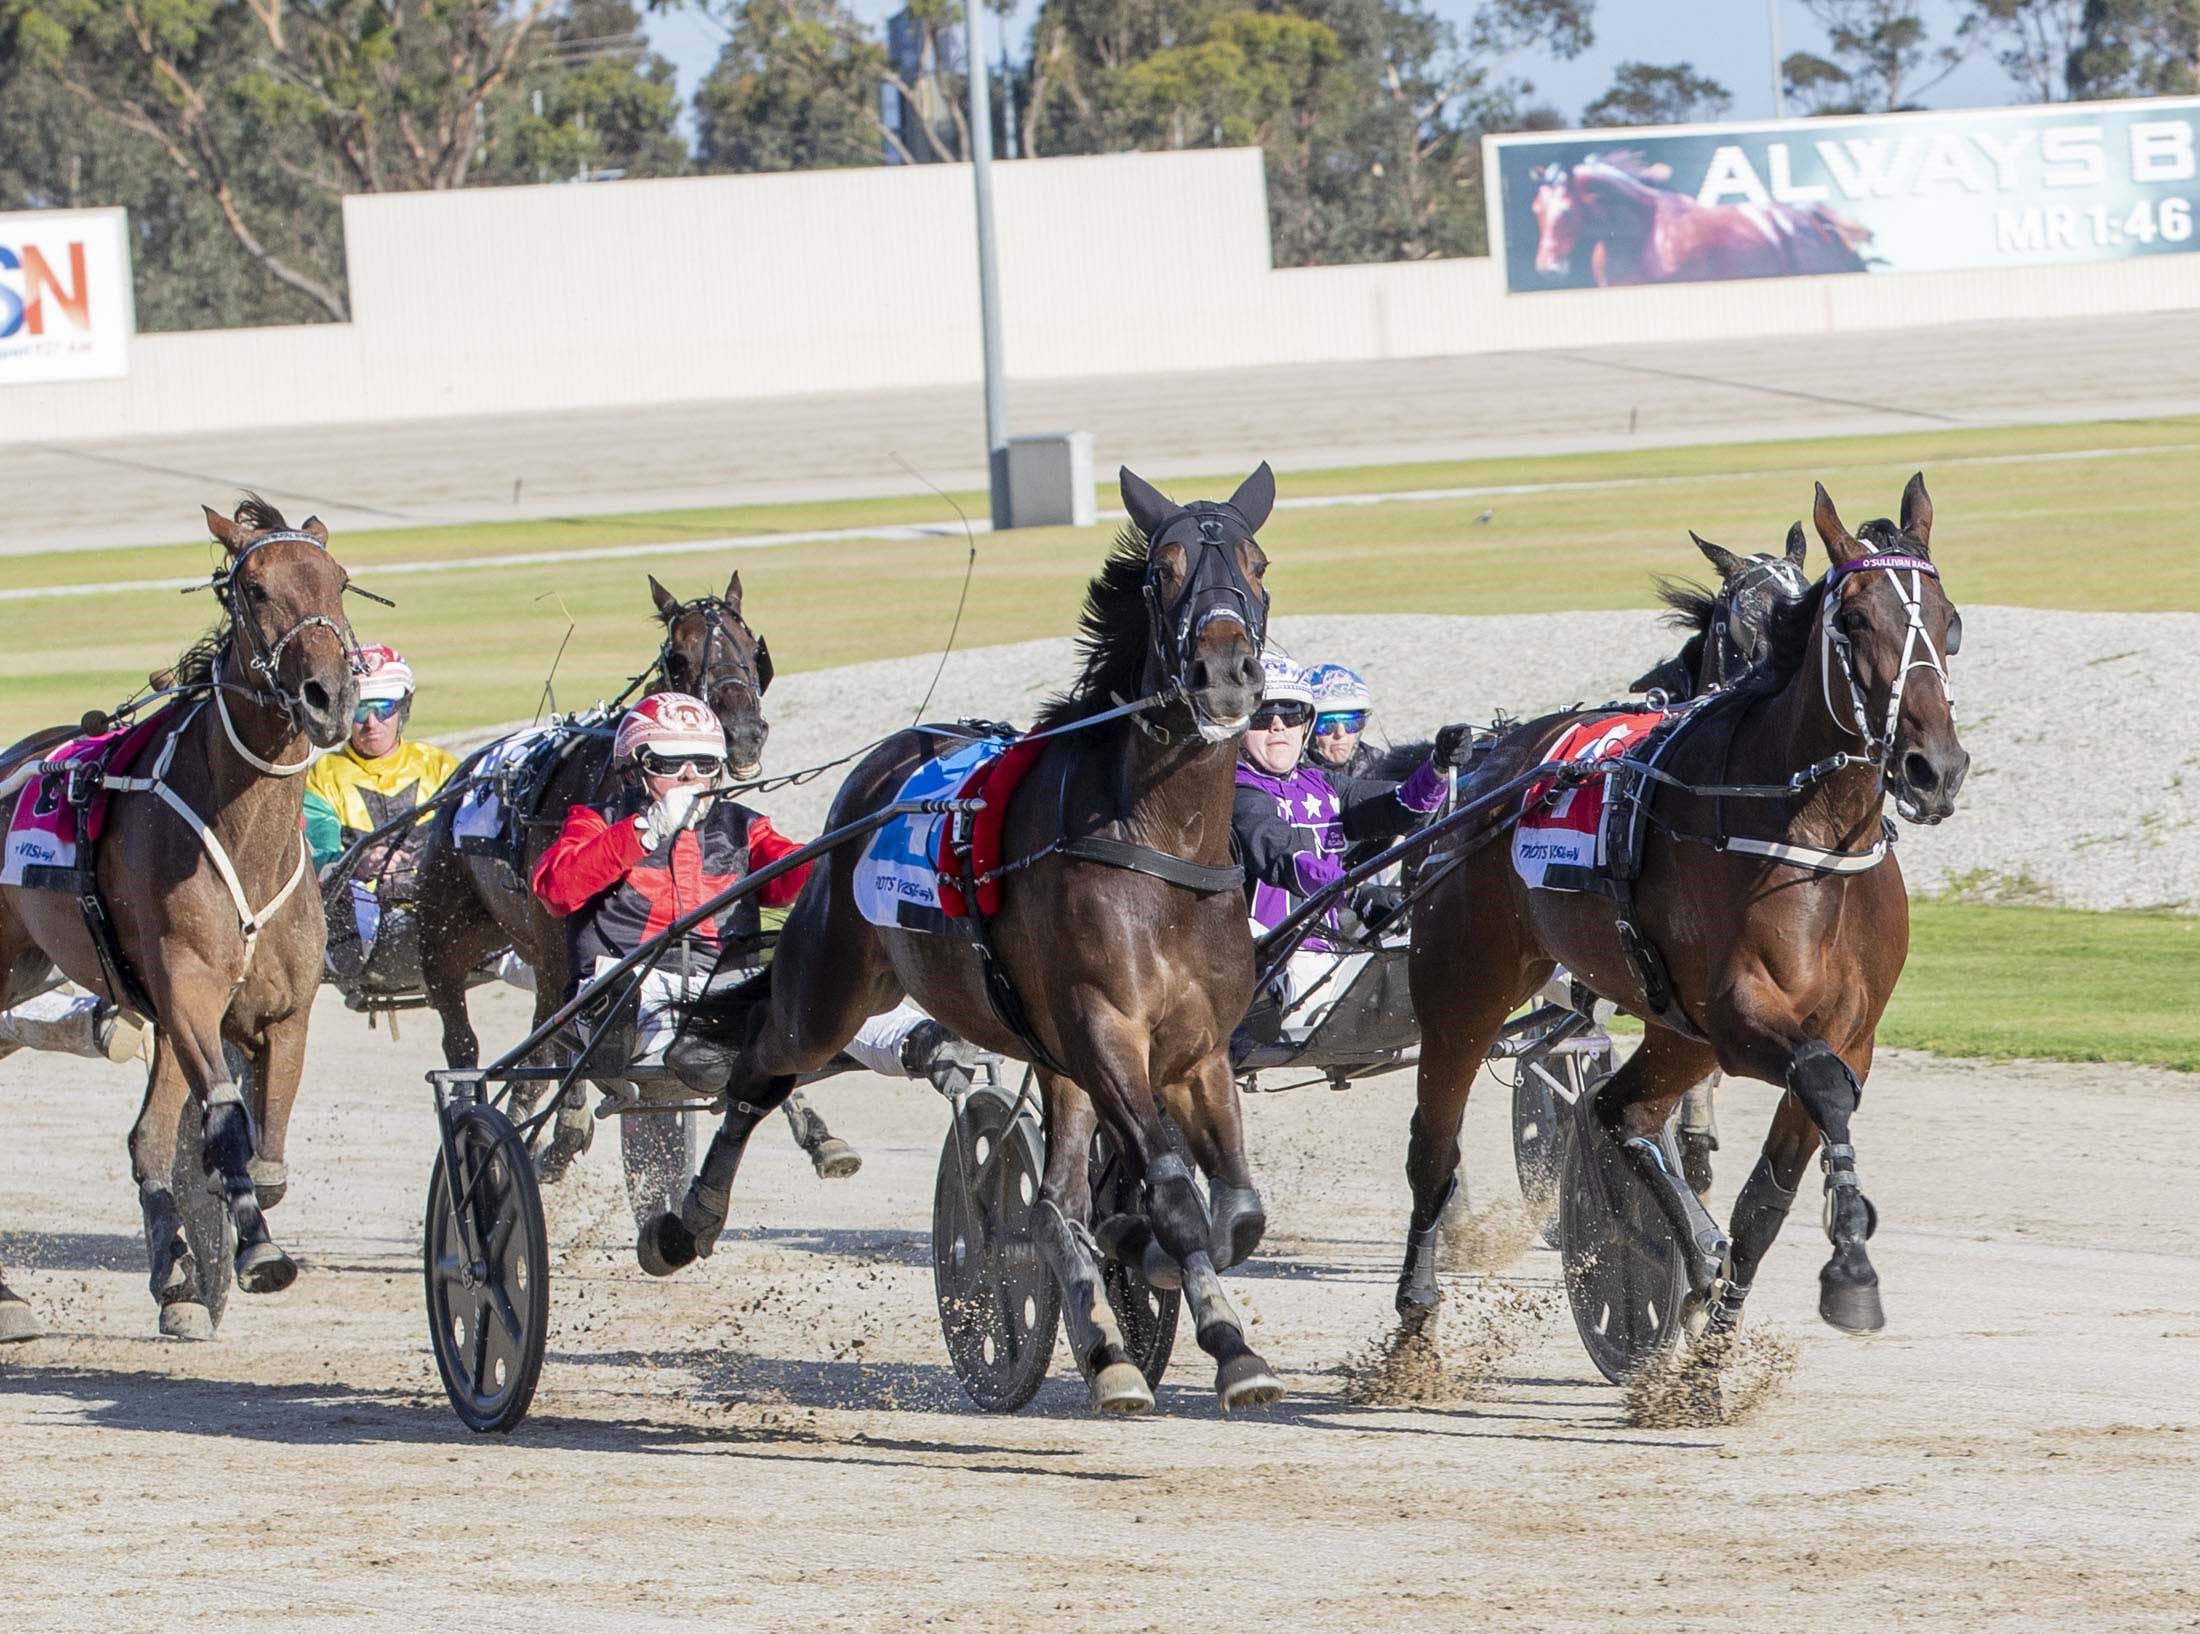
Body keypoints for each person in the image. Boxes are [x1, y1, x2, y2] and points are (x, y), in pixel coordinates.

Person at [531, 692, 976, 1089]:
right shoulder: (597, 820)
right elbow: (555, 889)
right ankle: (711, 1045)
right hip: (629, 984)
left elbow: (797, 874)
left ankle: (922, 1040)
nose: (690, 777)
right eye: (668, 765)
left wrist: (851, 854)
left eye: (704, 765)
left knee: (818, 990)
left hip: (729, 981)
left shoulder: (743, 825)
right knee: (713, 1022)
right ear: (632, 770)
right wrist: (646, 830)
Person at [1233, 656, 1475, 1037]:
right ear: (1240, 725)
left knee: (1440, 945)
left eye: (1291, 713)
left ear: (1305, 724)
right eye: (1263, 714)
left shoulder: (1323, 785)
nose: (1278, 725)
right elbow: (1283, 856)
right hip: (1266, 961)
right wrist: (1355, 894)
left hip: (1330, 953)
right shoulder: (1236, 792)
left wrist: (1438, 768)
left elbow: (1401, 807)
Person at [305, 644, 461, 988]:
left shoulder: (442, 767)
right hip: (360, 924)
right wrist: (355, 863)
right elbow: (316, 856)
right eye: (360, 711)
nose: (372, 724)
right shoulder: (321, 776)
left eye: (384, 708)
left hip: (441, 905)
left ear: (403, 707)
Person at [1303, 662, 1380, 779]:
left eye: (1351, 723)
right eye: (1328, 723)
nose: (1340, 733)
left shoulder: (1381, 768)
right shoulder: (1290, 780)